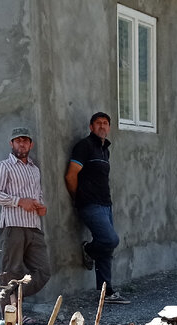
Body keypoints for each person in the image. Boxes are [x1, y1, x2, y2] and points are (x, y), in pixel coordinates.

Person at [65, 112, 123, 301]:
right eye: (98, 123)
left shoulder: (105, 150)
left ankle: (107, 292)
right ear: (91, 127)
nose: (102, 126)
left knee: (107, 249)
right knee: (110, 240)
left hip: (106, 204)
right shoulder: (84, 146)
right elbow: (70, 175)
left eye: (106, 123)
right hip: (89, 204)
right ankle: (89, 250)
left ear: (109, 127)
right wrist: (77, 197)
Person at [0, 126, 50, 298]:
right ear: (11, 144)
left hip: (34, 227)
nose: (21, 144)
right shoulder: (4, 166)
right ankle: (9, 319)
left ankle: (13, 300)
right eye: (18, 141)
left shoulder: (34, 169)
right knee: (11, 273)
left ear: (31, 145)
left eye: (25, 141)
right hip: (13, 226)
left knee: (43, 272)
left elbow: (38, 194)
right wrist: (20, 201)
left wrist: (41, 206)